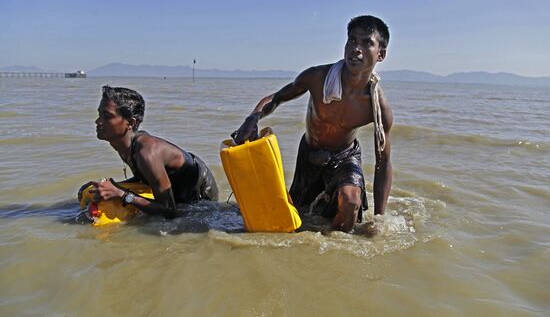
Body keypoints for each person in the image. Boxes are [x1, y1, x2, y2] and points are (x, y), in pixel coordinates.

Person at [232, 15, 393, 232]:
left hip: (345, 155)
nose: (356, 48)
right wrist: (253, 118)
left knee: (351, 203)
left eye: (367, 43)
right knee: (298, 215)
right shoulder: (318, 78)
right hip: (310, 152)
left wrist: (379, 219)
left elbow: (383, 163)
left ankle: (332, 247)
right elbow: (277, 97)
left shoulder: (377, 106)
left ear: (380, 54)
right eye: (352, 41)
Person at [78, 86, 218, 218]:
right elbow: (144, 177)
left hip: (200, 190)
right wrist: (109, 186)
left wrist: (120, 193)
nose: (98, 121)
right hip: (176, 184)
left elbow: (169, 210)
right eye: (99, 114)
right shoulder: (125, 145)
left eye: (107, 116)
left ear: (130, 123)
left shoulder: (147, 153)